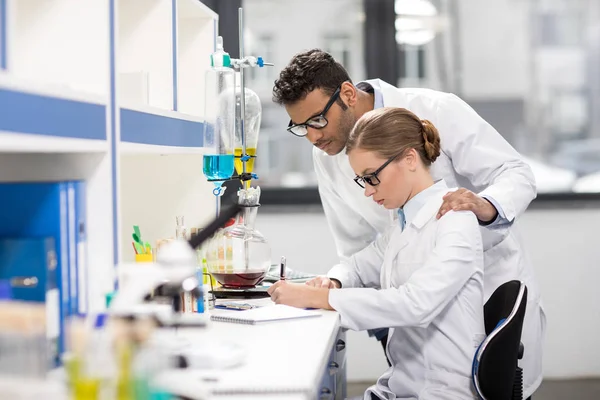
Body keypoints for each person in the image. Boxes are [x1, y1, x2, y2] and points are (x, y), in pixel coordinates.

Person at [272, 49, 544, 398]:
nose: (312, 136)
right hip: (410, 336)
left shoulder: (437, 113)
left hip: (479, 296)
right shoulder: (329, 156)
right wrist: (335, 282)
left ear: (348, 95)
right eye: (300, 127)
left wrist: (485, 206)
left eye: (317, 121)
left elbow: (517, 173)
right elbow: (357, 246)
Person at [269, 107, 486, 399]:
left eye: (372, 177)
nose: (368, 192)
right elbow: (357, 267)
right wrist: (332, 282)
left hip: (440, 391)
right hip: (402, 386)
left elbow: (416, 304)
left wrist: (319, 298)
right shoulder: (402, 225)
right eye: (362, 180)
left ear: (409, 159)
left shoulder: (455, 220)